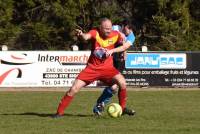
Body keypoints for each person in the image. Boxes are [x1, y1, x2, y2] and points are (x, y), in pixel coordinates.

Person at [52, 18, 132, 118]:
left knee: (122, 82)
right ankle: (59, 113)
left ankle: (122, 108)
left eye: (110, 28)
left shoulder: (116, 34)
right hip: (92, 68)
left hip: (108, 69)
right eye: (106, 28)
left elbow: (124, 46)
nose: (108, 30)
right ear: (100, 28)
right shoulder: (95, 32)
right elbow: (86, 37)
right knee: (74, 88)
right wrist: (81, 34)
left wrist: (116, 51)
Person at [93, 20, 136, 116]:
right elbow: (103, 34)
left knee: (118, 85)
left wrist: (121, 52)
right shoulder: (115, 28)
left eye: (130, 30)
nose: (129, 31)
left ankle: (119, 107)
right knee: (114, 86)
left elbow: (125, 47)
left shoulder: (132, 36)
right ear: (124, 26)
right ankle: (100, 105)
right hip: (109, 60)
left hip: (119, 61)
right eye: (128, 28)